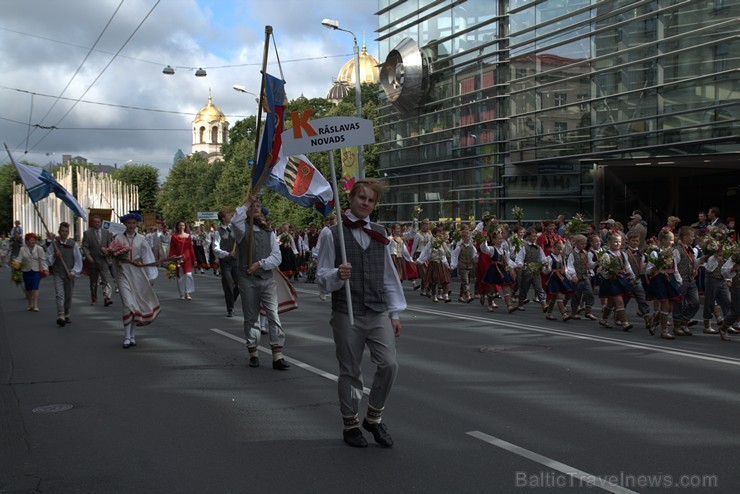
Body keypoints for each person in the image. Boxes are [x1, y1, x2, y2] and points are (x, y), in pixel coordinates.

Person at [317, 178, 406, 449]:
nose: (366, 203)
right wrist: (337, 274)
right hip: (347, 312)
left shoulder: (380, 233)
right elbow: (321, 278)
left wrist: (394, 314)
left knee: (389, 364)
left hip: (378, 310)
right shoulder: (332, 234)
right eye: (362, 198)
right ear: (352, 199)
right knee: (350, 371)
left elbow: (389, 276)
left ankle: (374, 417)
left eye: (371, 200)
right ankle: (351, 423)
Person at [230, 196, 289, 370]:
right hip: (247, 279)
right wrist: (246, 202)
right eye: (252, 205)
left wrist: (260, 264)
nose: (255, 207)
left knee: (273, 314)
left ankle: (277, 354)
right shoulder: (241, 230)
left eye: (258, 205)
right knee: (251, 316)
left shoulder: (269, 231)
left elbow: (276, 256)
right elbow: (234, 220)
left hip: (266, 278)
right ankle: (253, 351)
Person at [113, 212, 161, 348]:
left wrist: (151, 276)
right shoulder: (117, 238)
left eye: (133, 223)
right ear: (124, 224)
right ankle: (127, 337)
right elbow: (112, 256)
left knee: (136, 304)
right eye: (129, 223)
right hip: (123, 273)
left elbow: (148, 257)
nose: (131, 225)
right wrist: (117, 259)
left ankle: (132, 336)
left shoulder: (141, 239)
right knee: (128, 304)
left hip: (137, 273)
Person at [645, 229, 682, 339]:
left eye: (673, 240)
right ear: (663, 240)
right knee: (665, 303)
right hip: (660, 279)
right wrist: (655, 267)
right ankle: (664, 330)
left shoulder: (673, 252)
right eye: (670, 240)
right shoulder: (655, 252)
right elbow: (648, 269)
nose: (672, 242)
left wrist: (679, 280)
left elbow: (675, 268)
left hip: (670, 279)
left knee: (670, 306)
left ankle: (654, 320)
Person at [597, 233, 636, 330]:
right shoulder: (606, 254)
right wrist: (608, 275)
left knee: (611, 302)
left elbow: (627, 266)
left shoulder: (623, 254)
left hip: (621, 280)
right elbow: (602, 269)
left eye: (619, 241)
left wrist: (632, 276)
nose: (618, 243)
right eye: (615, 241)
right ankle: (625, 322)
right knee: (619, 301)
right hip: (611, 281)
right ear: (609, 242)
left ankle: (603, 319)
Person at [46, 222, 82, 326]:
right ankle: (60, 314)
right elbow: (48, 259)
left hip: (69, 273)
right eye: (62, 231)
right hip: (58, 272)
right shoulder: (54, 244)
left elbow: (78, 260)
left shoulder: (72, 244)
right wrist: (54, 255)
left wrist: (73, 272)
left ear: (68, 233)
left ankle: (66, 313)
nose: (64, 233)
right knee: (59, 294)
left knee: (68, 295)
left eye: (66, 231)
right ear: (59, 232)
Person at [672, 226, 700, 336]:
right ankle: (677, 326)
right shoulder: (677, 250)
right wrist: (679, 280)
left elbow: (692, 263)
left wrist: (700, 260)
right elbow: (675, 267)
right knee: (679, 303)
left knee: (695, 303)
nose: (693, 238)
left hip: (691, 279)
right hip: (682, 280)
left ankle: (684, 322)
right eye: (691, 236)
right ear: (684, 238)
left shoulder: (691, 249)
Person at [81, 214, 114, 306]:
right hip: (93, 260)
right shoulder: (87, 233)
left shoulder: (106, 233)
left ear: (101, 223)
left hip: (103, 260)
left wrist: (109, 252)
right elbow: (85, 246)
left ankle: (107, 297)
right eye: (95, 222)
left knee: (105, 280)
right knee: (93, 281)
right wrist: (88, 256)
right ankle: (94, 298)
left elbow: (110, 245)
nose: (97, 224)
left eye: (98, 222)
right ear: (92, 223)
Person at [212, 208, 240, 317]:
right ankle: (230, 308)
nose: (231, 217)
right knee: (228, 284)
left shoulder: (234, 229)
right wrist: (227, 254)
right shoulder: (217, 232)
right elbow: (215, 248)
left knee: (239, 283)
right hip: (226, 262)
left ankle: (231, 300)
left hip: (236, 261)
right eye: (229, 215)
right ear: (223, 219)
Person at [565, 234, 598, 321]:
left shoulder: (586, 253)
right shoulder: (573, 254)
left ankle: (588, 311)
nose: (584, 245)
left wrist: (595, 263)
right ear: (576, 244)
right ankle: (574, 312)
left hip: (585, 276)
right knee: (577, 295)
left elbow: (589, 265)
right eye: (582, 244)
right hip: (577, 278)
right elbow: (570, 266)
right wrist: (573, 275)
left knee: (589, 293)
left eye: (585, 244)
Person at [14, 233, 48, 311]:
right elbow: (19, 258)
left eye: (34, 240)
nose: (33, 241)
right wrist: (15, 263)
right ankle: (30, 303)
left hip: (36, 271)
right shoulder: (23, 249)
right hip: (26, 271)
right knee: (28, 288)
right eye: (31, 240)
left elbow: (43, 260)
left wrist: (45, 269)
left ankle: (35, 305)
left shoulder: (39, 249)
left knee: (35, 287)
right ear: (27, 241)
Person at [542, 240, 574, 321]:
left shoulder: (562, 257)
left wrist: (569, 277)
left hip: (561, 277)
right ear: (554, 248)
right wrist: (546, 267)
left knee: (554, 297)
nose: (559, 251)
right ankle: (564, 314)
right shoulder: (549, 258)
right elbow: (546, 271)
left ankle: (549, 313)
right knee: (558, 295)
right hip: (554, 278)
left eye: (561, 250)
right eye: (558, 249)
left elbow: (565, 268)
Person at [169, 221, 197, 300]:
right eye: (180, 225)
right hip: (178, 258)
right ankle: (182, 293)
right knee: (180, 276)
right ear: (177, 227)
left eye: (183, 225)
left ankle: (187, 292)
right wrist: (171, 257)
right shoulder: (174, 237)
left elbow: (191, 248)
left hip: (187, 258)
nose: (181, 227)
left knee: (188, 275)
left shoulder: (188, 236)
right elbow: (172, 247)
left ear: (185, 227)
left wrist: (194, 259)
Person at [450, 224, 478, 303]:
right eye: (466, 237)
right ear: (462, 238)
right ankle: (468, 295)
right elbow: (454, 256)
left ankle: (460, 295)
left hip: (469, 266)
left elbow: (474, 256)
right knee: (465, 281)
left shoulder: (472, 247)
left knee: (465, 281)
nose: (468, 238)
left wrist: (476, 258)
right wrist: (453, 265)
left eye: (469, 237)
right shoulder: (460, 247)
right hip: (462, 266)